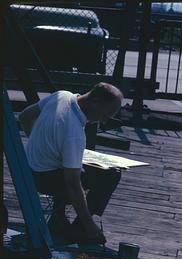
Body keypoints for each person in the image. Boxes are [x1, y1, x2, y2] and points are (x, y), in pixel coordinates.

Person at [19, 82, 123, 244]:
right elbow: (73, 185)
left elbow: (25, 116)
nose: (102, 122)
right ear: (95, 102)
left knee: (67, 163)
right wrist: (91, 227)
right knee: (110, 175)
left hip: (28, 168)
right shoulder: (74, 133)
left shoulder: (61, 96)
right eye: (105, 116)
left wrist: (37, 141)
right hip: (43, 180)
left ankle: (58, 218)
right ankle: (80, 228)